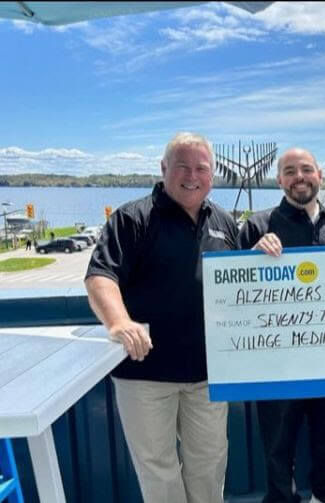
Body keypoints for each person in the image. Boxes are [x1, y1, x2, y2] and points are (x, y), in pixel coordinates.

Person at [84, 132, 238, 503]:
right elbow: (100, 277)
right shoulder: (132, 218)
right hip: (145, 374)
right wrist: (119, 322)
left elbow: (243, 281)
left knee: (210, 466)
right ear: (163, 168)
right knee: (158, 471)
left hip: (208, 375)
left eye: (202, 167)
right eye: (182, 166)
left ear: (212, 174)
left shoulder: (224, 221)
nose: (192, 175)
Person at [239, 148, 325, 503]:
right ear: (279, 180)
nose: (299, 177)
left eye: (306, 169)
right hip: (277, 363)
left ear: (320, 173)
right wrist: (251, 258)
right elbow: (233, 290)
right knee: (277, 446)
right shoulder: (258, 226)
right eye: (290, 171)